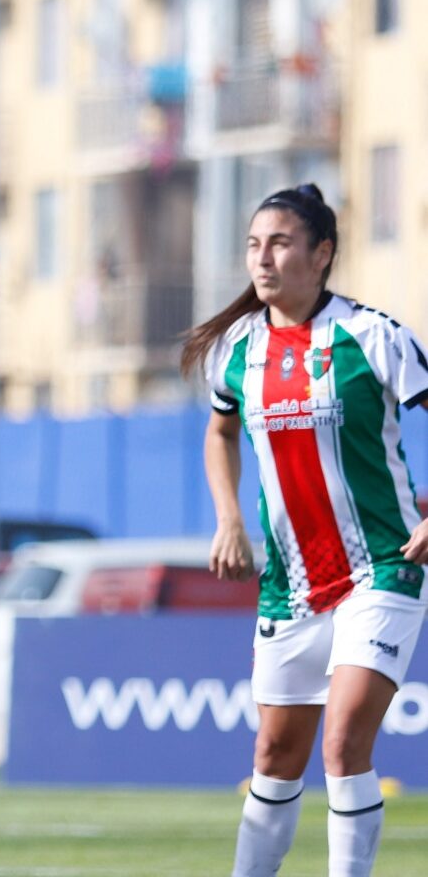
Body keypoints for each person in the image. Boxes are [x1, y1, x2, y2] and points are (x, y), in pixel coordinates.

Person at [181, 184, 428, 877]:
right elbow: (219, 432)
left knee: (344, 746)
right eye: (254, 245)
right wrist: (228, 517)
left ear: (321, 255)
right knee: (272, 758)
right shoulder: (236, 346)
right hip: (290, 583)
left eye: (280, 243)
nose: (263, 259)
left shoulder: (372, 335)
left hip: (382, 567)